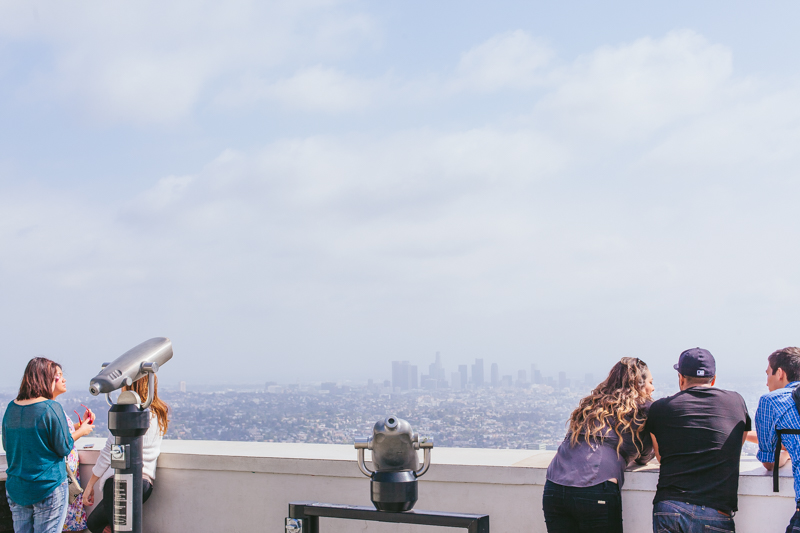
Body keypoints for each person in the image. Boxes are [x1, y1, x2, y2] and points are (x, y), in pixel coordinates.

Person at [543, 357, 656, 533]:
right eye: (650, 382)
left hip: (554, 486)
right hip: (596, 486)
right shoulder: (644, 408)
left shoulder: (591, 403)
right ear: (639, 384)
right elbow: (646, 455)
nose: (653, 388)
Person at [646, 347, 751, 533]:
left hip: (670, 506)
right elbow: (736, 444)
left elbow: (661, 456)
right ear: (714, 379)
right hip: (715, 510)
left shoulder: (660, 408)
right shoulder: (736, 401)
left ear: (681, 378)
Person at [3, 357, 94, 533]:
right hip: (48, 486)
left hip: (17, 487)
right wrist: (81, 431)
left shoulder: (11, 408)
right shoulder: (51, 407)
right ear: (45, 378)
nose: (63, 379)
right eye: (58, 375)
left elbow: (9, 445)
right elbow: (64, 447)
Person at [83, 373, 169, 533]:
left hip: (119, 483)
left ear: (129, 385)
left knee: (101, 525)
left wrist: (90, 484)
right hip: (144, 484)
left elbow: (110, 451)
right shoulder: (157, 412)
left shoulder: (126, 414)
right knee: (107, 525)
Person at [752, 347, 800, 533]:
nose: (766, 383)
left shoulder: (772, 401)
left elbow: (769, 461)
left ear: (780, 373)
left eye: (768, 374)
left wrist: (787, 454)